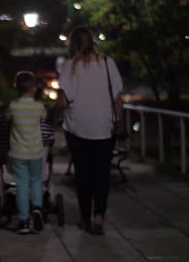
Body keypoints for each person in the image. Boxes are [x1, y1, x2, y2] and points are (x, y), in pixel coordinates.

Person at [55, 26, 124, 235]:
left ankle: (85, 218)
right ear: (93, 42)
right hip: (105, 126)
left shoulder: (70, 66)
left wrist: (52, 109)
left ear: (75, 44)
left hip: (77, 127)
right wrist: (117, 121)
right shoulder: (107, 63)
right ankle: (98, 216)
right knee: (102, 173)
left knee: (82, 173)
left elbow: (64, 101)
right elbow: (118, 98)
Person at [4, 71, 47, 234]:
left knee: (22, 185)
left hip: (18, 154)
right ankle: (37, 207)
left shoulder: (13, 106)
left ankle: (23, 221)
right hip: (36, 152)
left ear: (17, 88)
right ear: (34, 88)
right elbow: (44, 118)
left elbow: (6, 117)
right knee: (36, 180)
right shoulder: (39, 107)